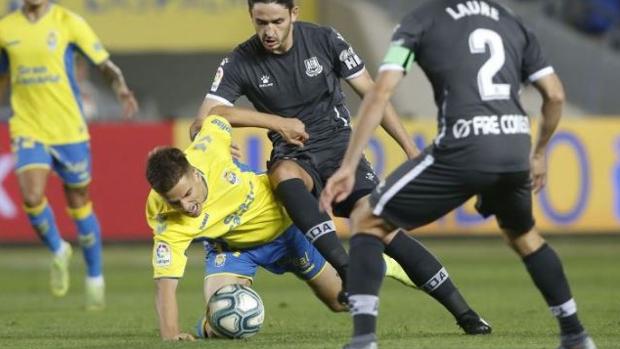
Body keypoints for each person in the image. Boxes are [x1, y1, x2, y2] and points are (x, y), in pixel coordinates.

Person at [192, 0, 491, 335]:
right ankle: (346, 266)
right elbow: (204, 119)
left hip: (340, 153)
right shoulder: (239, 60)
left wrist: (410, 149)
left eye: (276, 21)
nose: (269, 31)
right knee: (282, 175)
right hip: (295, 153)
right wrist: (257, 127)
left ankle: (466, 314)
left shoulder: (325, 40)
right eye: (261, 22)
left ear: (294, 14)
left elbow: (374, 95)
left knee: (378, 223)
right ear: (251, 17)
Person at [319, 1, 597, 348]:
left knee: (366, 220)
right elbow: (555, 95)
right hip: (514, 148)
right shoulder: (511, 21)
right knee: (524, 237)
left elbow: (381, 91)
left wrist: (348, 166)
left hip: (465, 147)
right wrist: (539, 153)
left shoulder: (420, 20)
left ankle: (363, 339)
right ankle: (575, 334)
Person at [146, 114, 409, 340]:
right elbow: (165, 284)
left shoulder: (209, 149)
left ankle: (379, 263)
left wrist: (278, 123)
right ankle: (208, 327)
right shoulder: (165, 216)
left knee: (340, 301)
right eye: (175, 201)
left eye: (188, 193)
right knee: (223, 315)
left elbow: (218, 115)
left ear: (193, 171)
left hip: (286, 230)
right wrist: (170, 334)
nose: (186, 205)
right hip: (232, 248)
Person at [0, 0, 139, 310]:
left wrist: (120, 88)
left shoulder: (68, 22)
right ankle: (59, 249)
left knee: (79, 202)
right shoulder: (6, 28)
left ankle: (94, 277)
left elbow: (104, 64)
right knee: (32, 196)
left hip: (68, 129)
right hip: (27, 125)